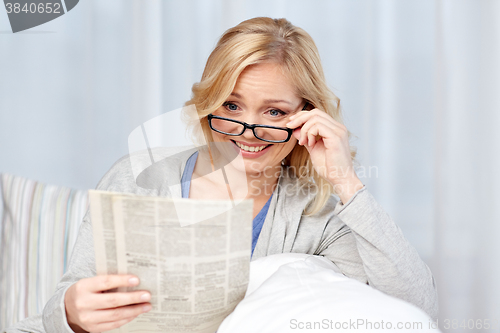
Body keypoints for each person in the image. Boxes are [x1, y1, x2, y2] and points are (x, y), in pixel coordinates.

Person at [5, 17, 438, 333]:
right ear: (207, 102)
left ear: (307, 116)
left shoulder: (317, 212)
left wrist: (346, 182)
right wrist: (72, 313)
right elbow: (62, 307)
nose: (246, 133)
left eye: (274, 112)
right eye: (230, 106)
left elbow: (415, 308)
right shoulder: (139, 178)